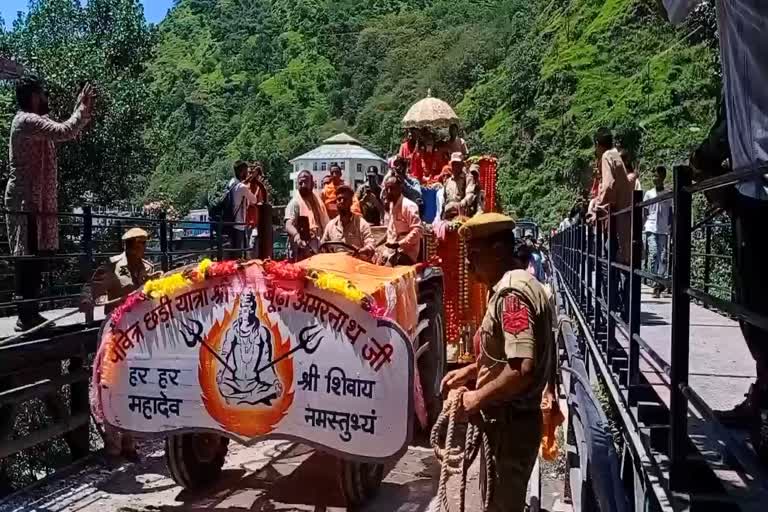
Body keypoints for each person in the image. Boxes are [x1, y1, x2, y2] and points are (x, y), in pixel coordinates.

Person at [440, 213, 555, 512]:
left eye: (474, 256)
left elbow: (521, 369)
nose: (468, 265)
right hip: (508, 427)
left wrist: (475, 398)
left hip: (509, 431)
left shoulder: (512, 296)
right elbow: (508, 354)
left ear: (499, 251)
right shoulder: (520, 283)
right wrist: (472, 370)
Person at [5, 77, 95, 331]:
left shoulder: (36, 123)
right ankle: (26, 316)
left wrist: (81, 112)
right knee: (27, 256)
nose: (47, 98)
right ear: (34, 97)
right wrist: (80, 108)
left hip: (35, 201)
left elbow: (67, 132)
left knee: (35, 256)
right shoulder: (26, 120)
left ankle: (30, 314)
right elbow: (64, 130)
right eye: (43, 93)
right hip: (26, 201)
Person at [80, 228, 158, 463]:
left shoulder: (148, 268)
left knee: (133, 387)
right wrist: (86, 301)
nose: (142, 247)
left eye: (143, 243)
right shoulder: (112, 266)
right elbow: (90, 289)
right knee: (112, 388)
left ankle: (130, 444)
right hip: (115, 334)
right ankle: (113, 447)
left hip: (140, 335)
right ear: (130, 245)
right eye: (140, 244)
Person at [587, 128, 632, 319]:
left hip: (616, 220)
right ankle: (619, 307)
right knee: (620, 263)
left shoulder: (606, 156)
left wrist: (596, 208)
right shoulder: (615, 156)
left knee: (607, 262)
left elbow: (609, 185)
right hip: (623, 216)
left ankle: (610, 308)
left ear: (598, 144)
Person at [321, 185, 376, 261]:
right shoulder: (330, 226)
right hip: (336, 266)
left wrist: (367, 249)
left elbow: (370, 242)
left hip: (356, 265)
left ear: (351, 202)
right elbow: (323, 246)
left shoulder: (361, 224)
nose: (342, 202)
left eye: (345, 199)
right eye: (339, 199)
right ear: (336, 202)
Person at [285, 170, 329, 262]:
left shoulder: (318, 202)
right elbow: (288, 224)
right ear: (297, 185)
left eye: (306, 182)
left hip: (319, 248)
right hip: (302, 250)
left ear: (312, 184)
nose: (303, 185)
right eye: (300, 182)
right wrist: (297, 236)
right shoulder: (295, 203)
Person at [643, 166, 672, 298]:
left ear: (662, 177)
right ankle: (655, 283)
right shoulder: (649, 193)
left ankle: (660, 282)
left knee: (663, 257)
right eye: (653, 176)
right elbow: (645, 211)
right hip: (650, 227)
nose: (654, 178)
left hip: (663, 229)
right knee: (654, 254)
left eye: (657, 176)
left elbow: (671, 213)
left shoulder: (668, 194)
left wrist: (672, 226)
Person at [381, 174, 422, 266]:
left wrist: (399, 244)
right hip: (393, 251)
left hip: (407, 253)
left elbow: (417, 230)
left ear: (400, 188)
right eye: (387, 189)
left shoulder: (409, 206)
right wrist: (385, 252)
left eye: (392, 188)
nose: (389, 191)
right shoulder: (392, 205)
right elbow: (391, 231)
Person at [227, 160, 262, 255]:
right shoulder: (242, 187)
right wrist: (257, 182)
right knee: (238, 254)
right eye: (246, 171)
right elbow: (254, 200)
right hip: (239, 224)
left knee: (231, 253)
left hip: (229, 222)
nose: (247, 173)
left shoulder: (231, 183)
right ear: (241, 171)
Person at [441, 152, 477, 220]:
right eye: (453, 164)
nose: (455, 166)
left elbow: (470, 194)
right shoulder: (448, 181)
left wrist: (461, 203)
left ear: (462, 165)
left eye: (458, 164)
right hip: (449, 215)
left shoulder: (468, 178)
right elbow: (444, 200)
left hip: (462, 214)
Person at [246, 162, 269, 257]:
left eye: (253, 173)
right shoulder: (245, 186)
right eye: (249, 172)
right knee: (246, 247)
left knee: (253, 246)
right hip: (246, 222)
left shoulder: (260, 188)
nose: (251, 175)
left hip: (256, 222)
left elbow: (262, 201)